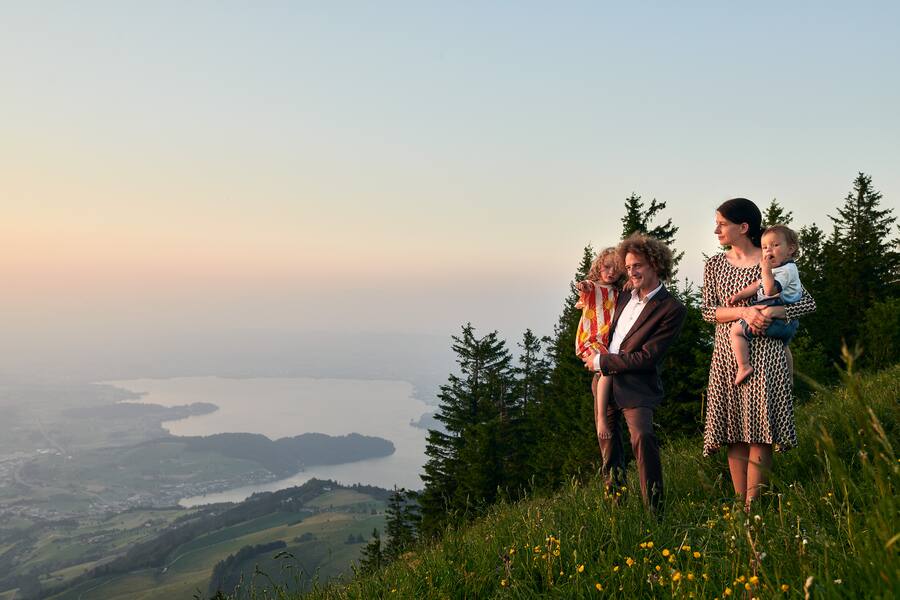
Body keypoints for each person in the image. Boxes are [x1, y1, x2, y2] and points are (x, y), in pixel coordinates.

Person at [701, 199, 816, 511]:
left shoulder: (773, 260)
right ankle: (740, 506)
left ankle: (755, 507)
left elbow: (806, 303)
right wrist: (745, 311)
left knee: (760, 432)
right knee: (734, 431)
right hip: (728, 356)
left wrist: (775, 311)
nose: (716, 230)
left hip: (767, 355)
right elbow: (709, 312)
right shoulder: (714, 265)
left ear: (743, 227)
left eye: (722, 224)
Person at [581, 233, 686, 513]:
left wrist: (604, 363)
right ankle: (617, 510)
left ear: (655, 264)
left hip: (636, 387)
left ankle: (655, 511)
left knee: (642, 439)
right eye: (628, 268)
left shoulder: (671, 308)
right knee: (608, 447)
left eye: (637, 265)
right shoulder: (625, 293)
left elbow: (648, 357)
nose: (631, 272)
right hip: (603, 382)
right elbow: (598, 300)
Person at [727, 225, 803, 385]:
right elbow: (757, 285)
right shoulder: (780, 268)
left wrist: (766, 270)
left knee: (735, 332)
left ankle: (744, 366)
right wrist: (740, 295)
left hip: (776, 316)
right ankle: (789, 378)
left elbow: (768, 290)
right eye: (765, 247)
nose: (769, 251)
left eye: (775, 245)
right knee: (784, 345)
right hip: (788, 322)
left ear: (791, 249)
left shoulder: (786, 271)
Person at [574, 248, 623, 441]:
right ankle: (602, 418)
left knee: (608, 369)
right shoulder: (593, 287)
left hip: (606, 341)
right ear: (598, 266)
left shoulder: (618, 291)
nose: (611, 272)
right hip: (591, 338)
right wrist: (583, 285)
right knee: (606, 370)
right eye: (607, 266)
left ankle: (605, 417)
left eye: (616, 268)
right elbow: (584, 287)